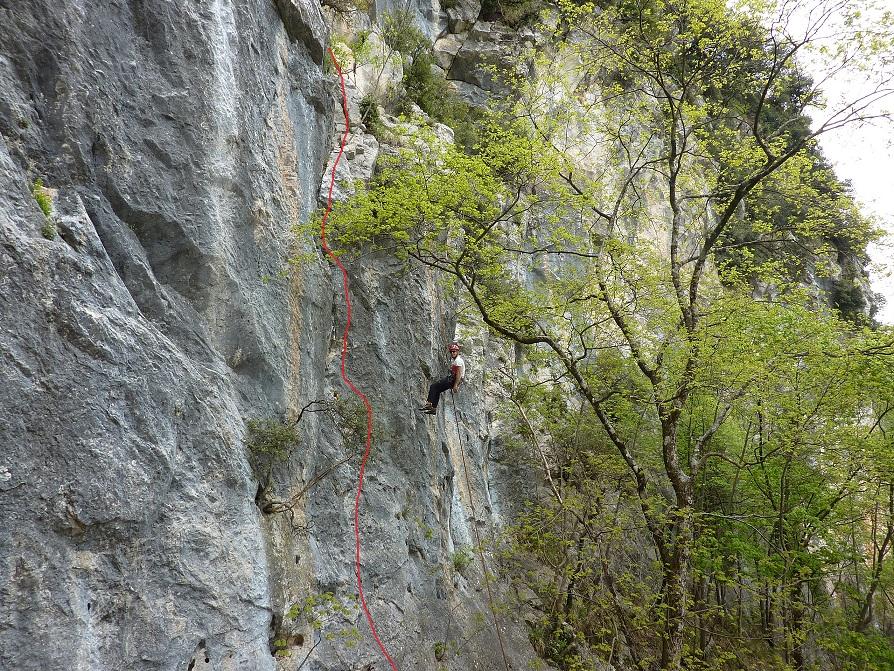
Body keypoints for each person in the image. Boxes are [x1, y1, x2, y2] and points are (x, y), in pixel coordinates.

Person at [419, 342, 464, 415]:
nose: (452, 353)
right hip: (453, 380)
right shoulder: (458, 360)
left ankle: (429, 403)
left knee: (433, 386)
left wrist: (455, 385)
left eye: (454, 351)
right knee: (438, 390)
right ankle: (433, 408)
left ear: (458, 352)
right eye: (451, 352)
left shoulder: (458, 360)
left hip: (452, 379)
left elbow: (459, 374)